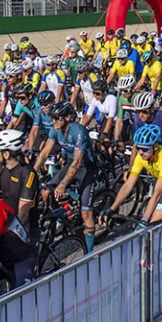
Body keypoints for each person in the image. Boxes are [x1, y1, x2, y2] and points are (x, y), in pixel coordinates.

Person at [100, 123, 162, 228]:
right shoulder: (141, 157)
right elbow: (128, 185)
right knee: (154, 227)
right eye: (138, 148)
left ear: (155, 147)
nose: (140, 152)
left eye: (144, 149)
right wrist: (111, 209)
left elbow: (157, 193)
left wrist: (144, 220)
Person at [34, 101, 100, 251]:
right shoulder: (55, 129)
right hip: (70, 164)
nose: (54, 121)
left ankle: (89, 254)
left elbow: (77, 163)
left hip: (86, 168)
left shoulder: (79, 132)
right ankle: (62, 217)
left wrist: (63, 184)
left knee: (86, 213)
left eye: (57, 118)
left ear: (68, 117)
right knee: (46, 191)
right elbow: (44, 153)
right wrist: (32, 172)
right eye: (52, 118)